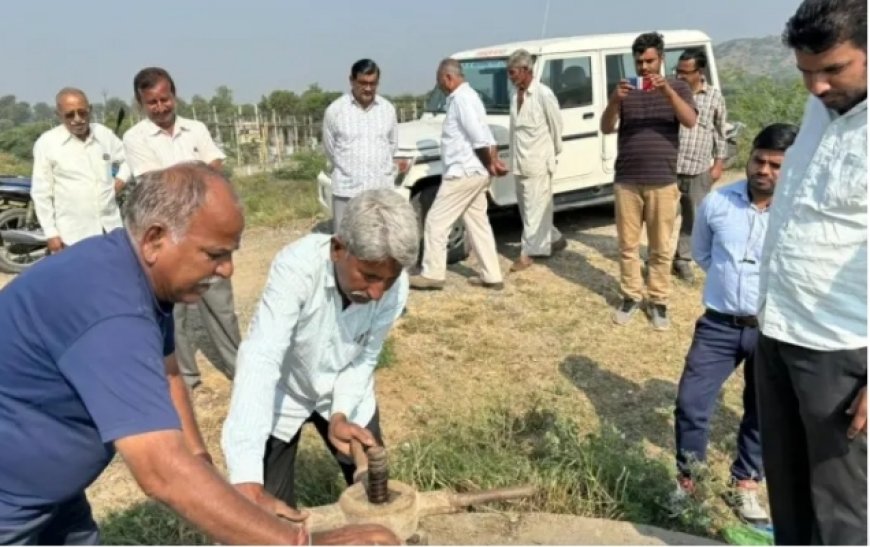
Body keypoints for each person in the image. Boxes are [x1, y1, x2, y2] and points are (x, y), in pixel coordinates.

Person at [0, 162, 398, 545]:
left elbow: (169, 372)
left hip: (52, 496)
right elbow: (160, 471)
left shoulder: (136, 277)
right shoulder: (111, 309)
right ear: (155, 238)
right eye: (215, 254)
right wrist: (301, 543)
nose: (228, 271)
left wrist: (203, 466)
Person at [222, 189, 417, 510]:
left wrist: (340, 413)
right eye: (368, 277)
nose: (378, 293)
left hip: (348, 394)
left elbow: (365, 359)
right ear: (338, 249)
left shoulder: (394, 289)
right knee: (272, 515)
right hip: (286, 392)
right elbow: (262, 356)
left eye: (389, 280)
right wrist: (245, 475)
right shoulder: (296, 267)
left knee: (378, 500)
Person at [756, 0, 867, 543]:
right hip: (779, 331)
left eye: (833, 69)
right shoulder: (819, 108)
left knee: (842, 512)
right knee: (790, 497)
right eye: (805, 72)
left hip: (841, 349)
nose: (817, 87)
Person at [672, 123, 798, 524]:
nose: (764, 170)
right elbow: (703, 255)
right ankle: (689, 483)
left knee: (762, 410)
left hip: (771, 329)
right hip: (719, 326)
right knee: (691, 404)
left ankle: (745, 484)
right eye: (759, 160)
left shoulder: (799, 212)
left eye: (776, 165)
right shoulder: (717, 203)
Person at [123, 67, 241, 391]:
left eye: (165, 99)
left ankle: (239, 368)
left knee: (221, 305)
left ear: (174, 95)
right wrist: (198, 175)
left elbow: (215, 165)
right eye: (152, 102)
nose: (160, 107)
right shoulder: (135, 139)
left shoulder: (196, 129)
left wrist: (188, 177)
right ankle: (186, 378)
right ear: (141, 103)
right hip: (171, 241)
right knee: (176, 315)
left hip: (207, 234)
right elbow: (156, 184)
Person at [600, 31, 697, 330]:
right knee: (627, 245)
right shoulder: (625, 89)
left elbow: (690, 121)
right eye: (639, 62)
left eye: (650, 61)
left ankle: (658, 301)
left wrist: (667, 91)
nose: (644, 68)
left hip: (662, 179)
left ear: (661, 59)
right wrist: (615, 101)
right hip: (627, 179)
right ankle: (630, 296)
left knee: (659, 246)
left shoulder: (679, 86)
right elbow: (605, 127)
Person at [410, 58, 507, 291]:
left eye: (439, 81)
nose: (440, 86)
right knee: (477, 223)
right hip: (475, 171)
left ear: (448, 78)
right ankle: (492, 275)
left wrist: (490, 164)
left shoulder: (461, 100)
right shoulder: (471, 97)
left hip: (463, 172)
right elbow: (486, 133)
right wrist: (491, 162)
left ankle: (433, 274)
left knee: (435, 221)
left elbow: (478, 137)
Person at [31, 88, 129, 253]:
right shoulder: (47, 143)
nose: (78, 119)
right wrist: (51, 233)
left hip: (111, 228)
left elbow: (128, 158)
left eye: (82, 113)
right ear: (58, 114)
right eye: (70, 115)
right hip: (73, 235)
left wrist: (121, 181)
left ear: (90, 109)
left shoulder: (104, 135)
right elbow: (41, 193)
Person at [505, 48, 567, 273]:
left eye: (512, 73)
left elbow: (556, 126)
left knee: (534, 210)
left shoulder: (543, 94)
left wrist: (551, 156)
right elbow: (514, 131)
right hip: (521, 163)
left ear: (525, 70)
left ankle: (527, 253)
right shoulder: (515, 96)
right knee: (529, 209)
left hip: (539, 162)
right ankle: (553, 237)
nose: (510, 78)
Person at [672, 48, 729, 283]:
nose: (681, 76)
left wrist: (718, 164)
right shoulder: (671, 93)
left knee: (693, 217)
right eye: (678, 71)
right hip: (669, 167)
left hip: (698, 168)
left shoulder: (714, 97)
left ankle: (682, 259)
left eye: (686, 72)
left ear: (700, 71)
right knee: (662, 216)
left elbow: (721, 132)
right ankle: (658, 259)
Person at [323, 59, 399, 230]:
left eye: (373, 83)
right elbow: (330, 149)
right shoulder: (335, 111)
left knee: (380, 243)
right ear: (351, 80)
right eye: (363, 83)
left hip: (380, 193)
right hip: (347, 192)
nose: (368, 88)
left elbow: (392, 145)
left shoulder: (387, 109)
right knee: (346, 244)